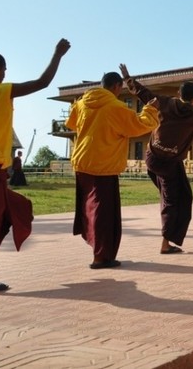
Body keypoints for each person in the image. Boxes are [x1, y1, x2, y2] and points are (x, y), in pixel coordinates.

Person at [0, 39, 70, 294]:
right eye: (4, 70)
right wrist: (57, 55)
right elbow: (42, 83)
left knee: (18, 208)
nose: (5, 75)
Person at [119, 64, 193, 255]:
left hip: (153, 159)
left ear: (178, 92)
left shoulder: (165, 103)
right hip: (168, 164)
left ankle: (170, 237)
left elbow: (143, 93)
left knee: (181, 196)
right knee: (173, 201)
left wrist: (128, 79)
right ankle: (165, 244)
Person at [66, 71, 160, 269]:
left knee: (89, 209)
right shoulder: (115, 107)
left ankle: (98, 250)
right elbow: (139, 125)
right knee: (103, 213)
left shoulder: (83, 103)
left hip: (82, 163)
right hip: (103, 166)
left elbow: (71, 123)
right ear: (117, 87)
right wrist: (151, 110)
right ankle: (100, 257)